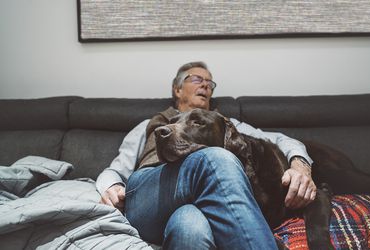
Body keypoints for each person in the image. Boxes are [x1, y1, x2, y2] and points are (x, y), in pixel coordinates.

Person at [96, 61, 316, 250]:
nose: (205, 85)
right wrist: (111, 186)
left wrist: (300, 165)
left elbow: (280, 140)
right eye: (196, 79)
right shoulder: (149, 125)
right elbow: (115, 170)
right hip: (151, 198)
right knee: (216, 158)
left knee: (190, 225)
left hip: (199, 204)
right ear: (177, 89)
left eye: (209, 82)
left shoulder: (225, 123)